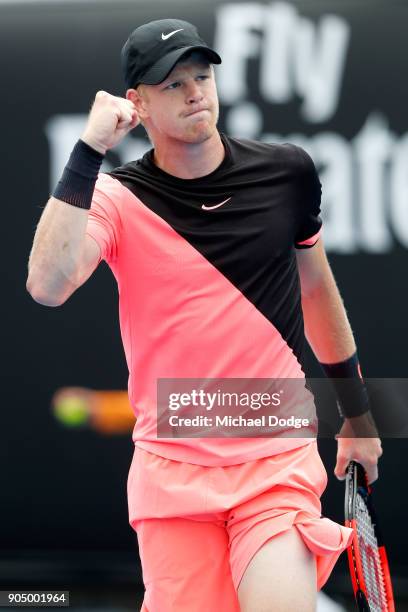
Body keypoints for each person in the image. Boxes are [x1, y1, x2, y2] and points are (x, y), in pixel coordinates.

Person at [27, 18, 382, 612]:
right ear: (136, 103)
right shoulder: (116, 197)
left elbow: (317, 291)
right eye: (173, 83)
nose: (195, 91)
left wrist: (358, 415)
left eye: (202, 75)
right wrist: (88, 151)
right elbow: (47, 285)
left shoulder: (287, 173)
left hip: (276, 456)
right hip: (172, 473)